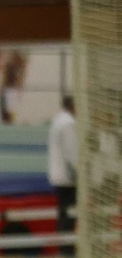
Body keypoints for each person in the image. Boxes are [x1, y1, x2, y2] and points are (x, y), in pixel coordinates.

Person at [50, 96, 78, 235]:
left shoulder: (58, 120)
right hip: (67, 178)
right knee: (68, 214)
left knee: (64, 212)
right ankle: (66, 245)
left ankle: (63, 242)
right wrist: (80, 172)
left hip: (60, 176)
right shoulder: (68, 123)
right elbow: (71, 152)